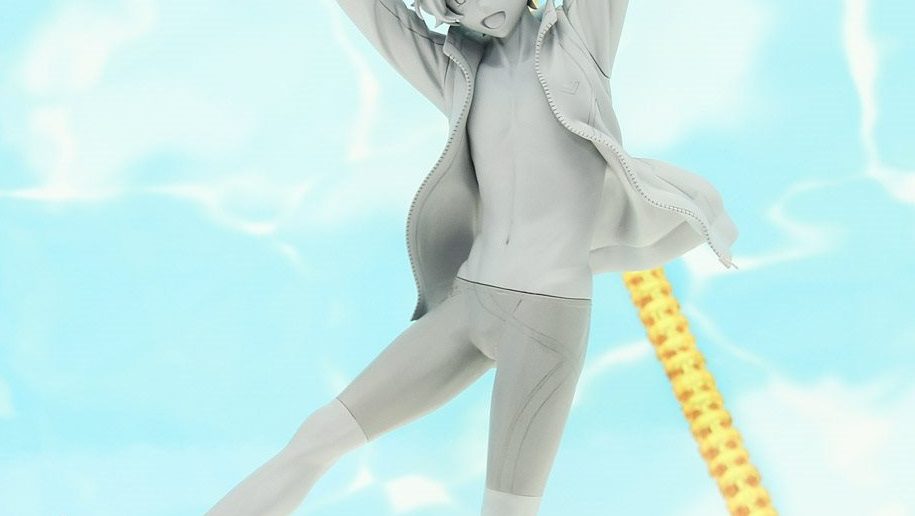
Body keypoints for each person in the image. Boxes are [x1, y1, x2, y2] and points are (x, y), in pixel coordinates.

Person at [206, 0, 738, 514]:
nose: (471, 13)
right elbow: (374, 11)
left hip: (547, 318)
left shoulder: (579, 45)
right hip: (469, 303)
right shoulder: (458, 72)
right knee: (319, 436)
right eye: (451, 6)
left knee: (507, 508)